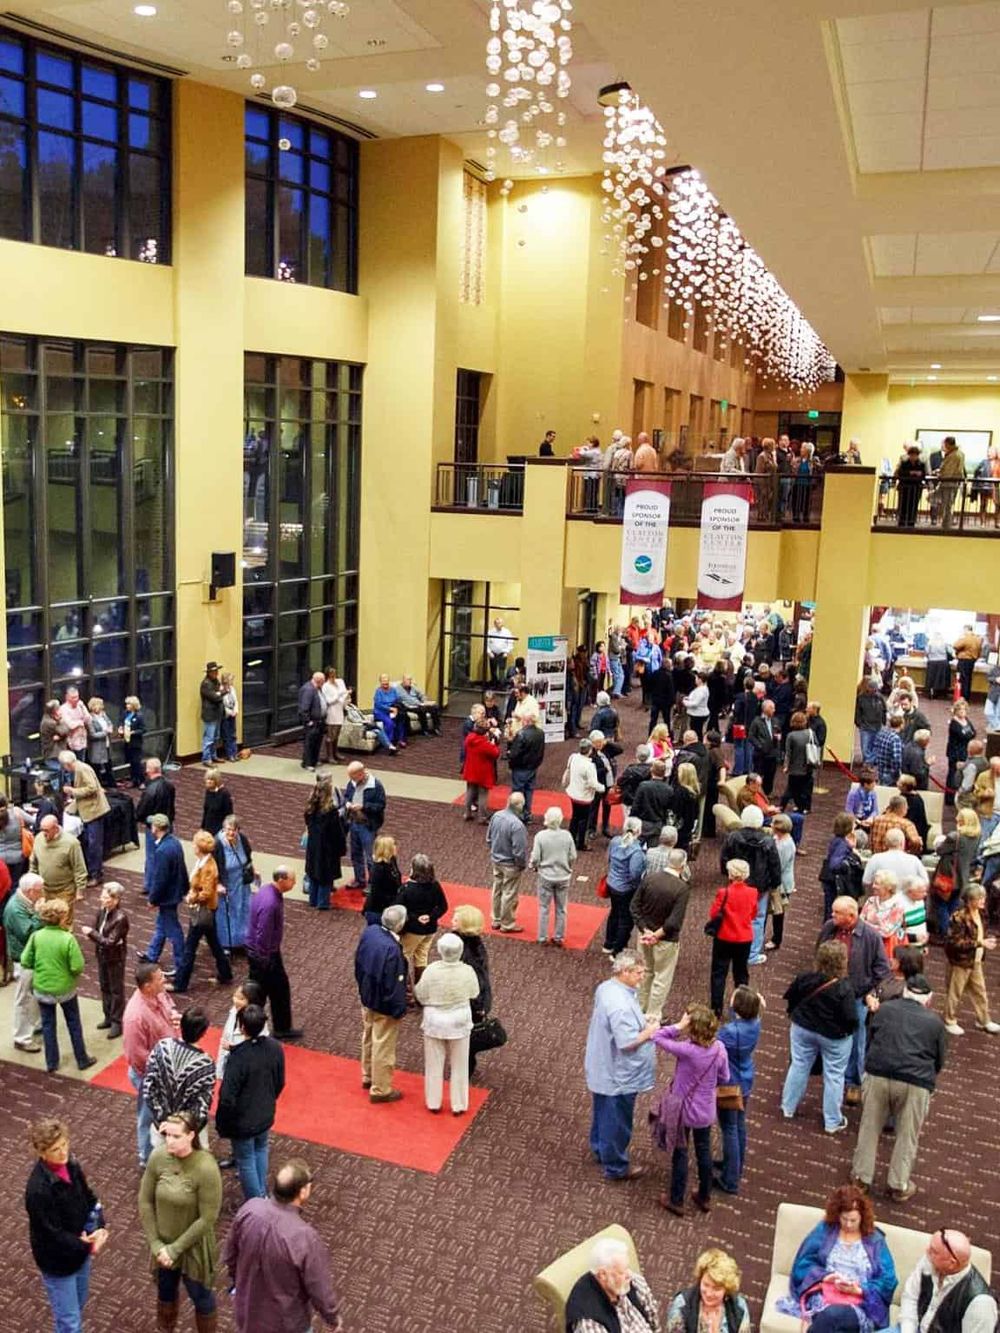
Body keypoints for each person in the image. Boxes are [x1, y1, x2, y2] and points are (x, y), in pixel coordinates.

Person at [850, 973, 947, 1203]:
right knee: (907, 1135)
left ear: (905, 993)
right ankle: (898, 1184)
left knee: (869, 1127)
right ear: (929, 1000)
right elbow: (939, 1059)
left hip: (879, 1073)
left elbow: (871, 1039)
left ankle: (861, 1178)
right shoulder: (935, 1023)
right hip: (916, 1082)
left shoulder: (884, 1010)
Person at [223, 1158, 343, 1333]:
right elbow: (319, 1287)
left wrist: (240, 1283)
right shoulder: (305, 1237)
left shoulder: (249, 1209)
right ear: (303, 1192)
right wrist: (332, 1318)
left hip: (248, 1313)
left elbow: (230, 1255)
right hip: (286, 1324)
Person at [138, 1110, 222, 1333]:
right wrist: (157, 1246)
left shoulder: (206, 1167)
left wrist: (174, 1250)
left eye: (176, 1136)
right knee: (165, 1294)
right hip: (163, 1247)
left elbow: (207, 1218)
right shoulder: (158, 1156)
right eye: (167, 1135)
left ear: (191, 1136)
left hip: (193, 1248)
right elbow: (145, 1201)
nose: (169, 1141)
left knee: (201, 1298)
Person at [25, 1116, 109, 1333]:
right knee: (70, 1322)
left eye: (64, 1145)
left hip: (79, 1249)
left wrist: (99, 1226)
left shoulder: (71, 1164)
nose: (62, 1152)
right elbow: (51, 1234)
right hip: (57, 1262)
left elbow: (89, 1198)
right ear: (42, 1153)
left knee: (76, 1307)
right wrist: (87, 1245)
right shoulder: (38, 1190)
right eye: (55, 1149)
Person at [779, 1184, 898, 1330]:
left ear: (862, 1217)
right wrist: (824, 1277)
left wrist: (860, 1289)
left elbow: (888, 1280)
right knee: (831, 1320)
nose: (848, 1224)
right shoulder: (825, 1231)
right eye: (844, 1219)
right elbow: (803, 1264)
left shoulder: (874, 1241)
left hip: (858, 1303)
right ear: (837, 1214)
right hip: (826, 1295)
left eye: (853, 1220)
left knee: (831, 1316)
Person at [584, 951, 658, 1182]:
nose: (642, 976)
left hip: (603, 1064)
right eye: (638, 972)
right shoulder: (621, 1006)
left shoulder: (607, 987)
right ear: (624, 972)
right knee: (617, 1119)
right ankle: (616, 1165)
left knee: (603, 1111)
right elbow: (627, 1042)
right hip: (619, 1073)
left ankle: (600, 1148)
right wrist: (649, 1031)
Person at [654, 1005, 730, 1217]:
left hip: (683, 1111)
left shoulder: (687, 1050)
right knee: (704, 1151)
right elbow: (725, 1077)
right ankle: (704, 1196)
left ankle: (676, 1199)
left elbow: (657, 1036)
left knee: (680, 1152)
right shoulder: (719, 1049)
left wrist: (678, 1026)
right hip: (706, 1110)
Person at [819, 896, 891, 1105]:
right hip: (829, 994)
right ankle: (829, 1076)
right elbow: (819, 954)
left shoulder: (870, 936)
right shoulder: (829, 928)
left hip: (855, 998)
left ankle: (853, 1083)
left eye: (836, 913)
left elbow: (882, 971)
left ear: (851, 916)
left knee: (856, 1041)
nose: (832, 916)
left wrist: (867, 991)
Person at [780, 941, 858, 1133]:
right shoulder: (844, 988)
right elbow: (851, 1018)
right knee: (834, 1075)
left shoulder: (805, 978)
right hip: (834, 1037)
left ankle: (787, 1107)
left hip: (803, 1028)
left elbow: (790, 996)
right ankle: (832, 1121)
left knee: (799, 1064)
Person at [216, 1004, 285, 1201]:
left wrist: (223, 1123)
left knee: (245, 1159)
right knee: (261, 1149)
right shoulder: (274, 1047)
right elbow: (280, 1081)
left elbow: (227, 1096)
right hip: (265, 1113)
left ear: (242, 1027)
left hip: (242, 1121)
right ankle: (262, 1193)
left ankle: (256, 1201)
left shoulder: (238, 1058)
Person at [21, 898, 96, 1075]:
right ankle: (82, 1059)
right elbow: (77, 966)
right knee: (74, 1024)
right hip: (66, 990)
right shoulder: (68, 939)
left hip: (43, 988)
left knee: (48, 1026)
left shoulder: (36, 937)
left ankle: (51, 1063)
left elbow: (25, 960)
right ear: (62, 918)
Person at [414, 932, 480, 1115]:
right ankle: (459, 1104)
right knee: (460, 1065)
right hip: (459, 1022)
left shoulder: (432, 970)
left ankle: (433, 1102)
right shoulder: (467, 971)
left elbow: (420, 994)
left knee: (433, 1064)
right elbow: (474, 993)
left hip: (434, 1022)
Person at [123, 962, 180, 1168]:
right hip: (151, 1075)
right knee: (147, 1117)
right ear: (147, 986)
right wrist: (161, 1074)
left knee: (164, 1113)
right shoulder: (135, 1017)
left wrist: (174, 1016)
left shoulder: (159, 994)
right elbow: (137, 1055)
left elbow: (169, 1004)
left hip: (166, 1069)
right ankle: (146, 1158)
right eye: (160, 978)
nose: (164, 979)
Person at [354, 903, 408, 1103]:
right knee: (383, 1046)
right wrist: (398, 1009)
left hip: (367, 996)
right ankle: (381, 1088)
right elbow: (393, 984)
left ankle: (367, 1075)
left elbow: (357, 962)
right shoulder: (392, 950)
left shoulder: (371, 933)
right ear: (400, 925)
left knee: (368, 1036)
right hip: (383, 1005)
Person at [170, 829, 234, 994]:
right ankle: (226, 973)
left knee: (190, 948)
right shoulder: (204, 861)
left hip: (203, 910)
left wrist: (192, 898)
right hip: (208, 911)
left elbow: (205, 892)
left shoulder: (208, 867)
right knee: (214, 944)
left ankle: (180, 983)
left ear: (199, 848)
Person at [143, 1007, 216, 1150]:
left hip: (161, 1127)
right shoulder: (205, 1064)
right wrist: (184, 1129)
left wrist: (162, 1120)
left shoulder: (161, 1047)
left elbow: (149, 1088)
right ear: (203, 1033)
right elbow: (202, 1105)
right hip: (187, 1133)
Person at [898, 1229, 998, 1333]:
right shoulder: (929, 1262)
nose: (927, 1252)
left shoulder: (980, 1303)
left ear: (952, 1263)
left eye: (934, 1251)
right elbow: (910, 1297)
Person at [631, 848, 691, 1018]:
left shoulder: (650, 878)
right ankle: (652, 1015)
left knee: (644, 972)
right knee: (661, 978)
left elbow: (634, 907)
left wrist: (646, 930)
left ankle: (638, 1009)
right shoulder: (682, 888)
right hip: (666, 940)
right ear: (683, 864)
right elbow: (674, 921)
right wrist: (656, 935)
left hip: (644, 936)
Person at [720, 804, 782, 967]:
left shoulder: (733, 837)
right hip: (760, 886)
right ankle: (752, 954)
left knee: (734, 915)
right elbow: (774, 864)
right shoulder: (768, 841)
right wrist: (775, 883)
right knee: (758, 918)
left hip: (738, 882)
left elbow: (724, 858)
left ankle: (733, 949)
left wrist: (728, 874)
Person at [715, 987, 763, 1196]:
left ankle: (730, 1179)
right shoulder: (755, 1023)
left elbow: (712, 1042)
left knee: (729, 1128)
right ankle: (735, 1165)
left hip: (729, 1084)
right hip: (745, 1079)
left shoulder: (730, 1032)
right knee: (739, 1124)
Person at [247, 867, 301, 1041]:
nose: (294, 883)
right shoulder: (271, 902)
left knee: (274, 990)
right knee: (262, 993)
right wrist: (265, 958)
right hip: (264, 954)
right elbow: (263, 932)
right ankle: (255, 1028)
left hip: (264, 952)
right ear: (282, 880)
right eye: (292, 879)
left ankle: (277, 1027)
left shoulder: (266, 891)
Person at [566, 1237, 662, 1333]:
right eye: (621, 1272)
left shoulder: (633, 1283)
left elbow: (653, 1317)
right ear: (603, 1275)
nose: (629, 1275)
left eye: (627, 1268)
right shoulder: (589, 1321)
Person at [943, 884, 1000, 1036]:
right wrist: (980, 943)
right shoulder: (959, 917)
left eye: (983, 897)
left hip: (976, 960)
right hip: (960, 961)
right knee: (955, 992)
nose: (983, 901)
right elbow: (954, 942)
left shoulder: (982, 914)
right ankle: (949, 1020)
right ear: (970, 900)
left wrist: (984, 941)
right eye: (979, 898)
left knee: (980, 991)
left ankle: (983, 1019)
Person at [706, 859, 758, 1015]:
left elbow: (714, 913)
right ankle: (741, 1007)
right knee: (741, 973)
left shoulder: (724, 892)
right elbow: (753, 914)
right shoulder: (753, 892)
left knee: (719, 972)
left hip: (724, 936)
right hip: (744, 938)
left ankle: (716, 1008)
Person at [80, 882, 129, 1038]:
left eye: (105, 896)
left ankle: (117, 1022)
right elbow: (99, 933)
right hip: (102, 955)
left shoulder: (121, 918)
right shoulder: (102, 911)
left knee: (116, 990)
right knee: (104, 986)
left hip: (115, 957)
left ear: (116, 899)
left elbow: (110, 942)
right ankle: (108, 1016)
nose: (101, 898)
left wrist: (92, 934)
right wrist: (95, 935)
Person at [143, 813, 189, 978]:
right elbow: (182, 869)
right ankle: (152, 954)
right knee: (162, 924)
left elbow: (160, 878)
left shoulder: (162, 850)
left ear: (156, 828)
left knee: (173, 929)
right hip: (175, 892)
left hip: (167, 897)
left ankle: (181, 964)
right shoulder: (175, 843)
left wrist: (153, 899)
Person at [665, 1250, 750, 1333]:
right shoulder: (682, 1304)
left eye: (716, 1289)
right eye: (706, 1285)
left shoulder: (739, 1306)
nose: (709, 1293)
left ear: (726, 1288)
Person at [398, 853, 449, 991]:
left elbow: (399, 910)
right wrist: (431, 916)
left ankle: (406, 991)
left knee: (401, 956)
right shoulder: (435, 885)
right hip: (430, 929)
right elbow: (443, 906)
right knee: (421, 958)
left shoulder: (407, 888)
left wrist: (415, 918)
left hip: (413, 930)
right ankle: (422, 992)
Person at [4, 871, 43, 1053]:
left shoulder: (23, 902)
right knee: (25, 999)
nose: (41, 895)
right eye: (39, 891)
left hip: (29, 957)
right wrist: (39, 915)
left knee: (31, 996)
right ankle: (22, 1038)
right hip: (23, 960)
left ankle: (33, 1026)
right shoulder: (15, 909)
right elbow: (27, 933)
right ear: (29, 891)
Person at [59, 750, 109, 888]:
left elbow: (92, 788)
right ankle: (92, 871)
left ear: (68, 764)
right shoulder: (80, 768)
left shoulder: (82, 770)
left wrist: (72, 791)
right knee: (89, 842)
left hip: (94, 811)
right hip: (88, 810)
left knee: (94, 845)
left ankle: (96, 874)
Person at [530, 806, 576, 947]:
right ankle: (558, 937)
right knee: (561, 908)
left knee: (544, 907)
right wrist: (568, 867)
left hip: (546, 876)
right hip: (563, 876)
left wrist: (534, 866)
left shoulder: (540, 836)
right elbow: (573, 856)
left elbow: (536, 857)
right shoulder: (567, 835)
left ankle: (542, 937)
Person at [604, 816, 646, 957]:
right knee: (626, 921)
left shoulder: (615, 841)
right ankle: (618, 951)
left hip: (612, 884)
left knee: (614, 913)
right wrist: (635, 886)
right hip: (626, 889)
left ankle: (609, 943)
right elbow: (635, 874)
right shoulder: (636, 851)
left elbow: (608, 858)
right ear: (638, 831)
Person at [303, 776, 348, 911]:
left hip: (313, 846)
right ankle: (323, 903)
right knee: (325, 876)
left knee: (313, 873)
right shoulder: (330, 811)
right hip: (327, 848)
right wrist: (342, 847)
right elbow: (336, 832)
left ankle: (313, 900)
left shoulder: (310, 807)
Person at [341, 761, 386, 891]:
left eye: (353, 776)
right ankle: (359, 879)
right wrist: (348, 803)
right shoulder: (352, 782)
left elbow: (381, 805)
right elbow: (347, 796)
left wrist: (364, 807)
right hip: (354, 823)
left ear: (360, 774)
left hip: (368, 825)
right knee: (355, 854)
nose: (350, 780)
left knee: (370, 856)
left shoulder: (375, 786)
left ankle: (372, 883)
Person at [487, 791, 527, 931]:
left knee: (497, 889)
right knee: (509, 893)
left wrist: (494, 852)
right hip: (510, 864)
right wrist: (521, 865)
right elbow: (519, 851)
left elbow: (489, 838)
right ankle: (507, 923)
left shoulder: (496, 816)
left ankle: (496, 919)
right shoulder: (517, 825)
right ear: (519, 805)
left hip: (496, 860)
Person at [213, 815, 254, 951]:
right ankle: (226, 943)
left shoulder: (242, 839)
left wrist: (252, 870)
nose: (231, 833)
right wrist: (217, 883)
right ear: (223, 829)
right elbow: (212, 867)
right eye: (228, 829)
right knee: (227, 912)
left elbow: (248, 857)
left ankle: (241, 940)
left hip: (241, 883)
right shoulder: (217, 844)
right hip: (226, 884)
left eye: (234, 830)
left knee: (243, 909)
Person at [135, 759, 176, 880]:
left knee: (152, 857)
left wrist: (142, 818)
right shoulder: (170, 785)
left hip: (153, 827)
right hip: (168, 824)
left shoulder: (150, 790)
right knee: (166, 854)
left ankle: (150, 884)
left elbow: (140, 812)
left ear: (149, 770)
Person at [564, 737, 603, 850]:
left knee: (575, 817)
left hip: (573, 793)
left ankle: (571, 839)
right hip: (584, 797)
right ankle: (581, 843)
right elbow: (593, 784)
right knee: (583, 820)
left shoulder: (573, 757)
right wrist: (603, 788)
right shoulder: (589, 766)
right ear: (590, 750)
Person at [507, 708, 545, 822]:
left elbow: (514, 753)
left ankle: (516, 814)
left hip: (520, 767)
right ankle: (527, 814)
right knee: (529, 791)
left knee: (518, 791)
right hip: (533, 767)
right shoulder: (540, 733)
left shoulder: (521, 734)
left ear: (527, 721)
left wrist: (510, 761)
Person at [862, 827, 928, 892]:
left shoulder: (875, 858)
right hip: (907, 900)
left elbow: (866, 881)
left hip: (882, 899)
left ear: (885, 843)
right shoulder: (914, 860)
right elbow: (925, 882)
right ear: (903, 843)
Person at [462, 718, 500, 823]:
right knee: (483, 794)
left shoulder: (470, 738)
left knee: (470, 791)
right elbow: (496, 753)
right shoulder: (484, 743)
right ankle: (482, 817)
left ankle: (467, 813)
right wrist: (492, 742)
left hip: (470, 769)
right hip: (482, 771)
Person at [363, 833, 402, 925]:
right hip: (378, 911)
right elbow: (377, 894)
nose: (396, 847)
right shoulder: (378, 869)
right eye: (393, 845)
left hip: (389, 907)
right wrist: (396, 900)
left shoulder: (392, 860)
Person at [946, 700, 976, 807]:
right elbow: (965, 736)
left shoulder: (966, 720)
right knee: (953, 775)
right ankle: (949, 798)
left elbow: (973, 732)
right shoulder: (954, 724)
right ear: (956, 711)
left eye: (964, 709)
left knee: (962, 775)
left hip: (965, 751)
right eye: (960, 709)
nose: (963, 712)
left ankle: (959, 795)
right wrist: (969, 734)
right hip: (955, 753)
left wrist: (969, 734)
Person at [748, 699, 781, 793]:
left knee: (770, 775)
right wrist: (759, 746)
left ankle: (767, 793)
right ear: (765, 709)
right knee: (757, 774)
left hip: (772, 753)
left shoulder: (775, 720)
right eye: (772, 708)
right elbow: (751, 736)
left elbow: (778, 732)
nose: (774, 710)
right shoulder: (757, 721)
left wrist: (778, 737)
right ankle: (754, 792)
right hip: (760, 754)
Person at [296, 670, 328, 770]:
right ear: (319, 680)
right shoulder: (308, 689)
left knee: (317, 742)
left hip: (320, 721)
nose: (324, 683)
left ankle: (314, 761)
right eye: (323, 681)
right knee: (309, 743)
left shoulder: (317, 688)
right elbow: (304, 708)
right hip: (312, 722)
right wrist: (308, 721)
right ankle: (307, 763)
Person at [318, 666, 349, 764]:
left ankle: (336, 753)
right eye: (331, 673)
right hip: (331, 712)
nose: (333, 675)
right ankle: (329, 756)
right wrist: (339, 695)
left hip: (340, 710)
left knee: (337, 734)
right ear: (327, 674)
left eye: (334, 673)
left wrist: (346, 696)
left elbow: (344, 693)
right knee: (331, 734)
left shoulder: (340, 682)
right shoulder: (325, 686)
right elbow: (328, 701)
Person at [855, 679, 887, 766]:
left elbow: (884, 710)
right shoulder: (861, 698)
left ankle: (868, 763)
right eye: (873, 689)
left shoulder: (880, 698)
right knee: (865, 748)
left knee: (875, 746)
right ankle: (869, 762)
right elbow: (857, 712)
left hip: (877, 726)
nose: (874, 691)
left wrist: (883, 722)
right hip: (865, 726)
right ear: (868, 688)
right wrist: (859, 723)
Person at [199, 662, 225, 766]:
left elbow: (218, 694)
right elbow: (216, 697)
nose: (216, 673)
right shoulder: (206, 684)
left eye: (216, 671)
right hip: (210, 715)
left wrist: (220, 693)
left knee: (215, 737)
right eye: (214, 671)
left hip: (217, 714)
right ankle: (206, 759)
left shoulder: (215, 682)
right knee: (209, 738)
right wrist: (222, 692)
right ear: (209, 672)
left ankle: (213, 756)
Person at [86, 697, 115, 788]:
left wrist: (110, 728)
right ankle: (98, 786)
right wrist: (105, 732)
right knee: (97, 767)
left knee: (108, 764)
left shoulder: (103, 715)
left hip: (106, 744)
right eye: (100, 705)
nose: (102, 707)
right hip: (97, 747)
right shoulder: (90, 719)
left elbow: (109, 723)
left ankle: (111, 783)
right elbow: (92, 735)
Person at [895, 444, 926, 527]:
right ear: (909, 455)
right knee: (903, 505)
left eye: (915, 455)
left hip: (916, 488)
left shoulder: (921, 464)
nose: (913, 457)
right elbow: (900, 473)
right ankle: (902, 521)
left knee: (913, 505)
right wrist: (911, 473)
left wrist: (919, 474)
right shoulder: (904, 463)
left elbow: (924, 475)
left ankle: (911, 522)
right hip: (905, 487)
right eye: (912, 455)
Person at [872, 713, 905, 788]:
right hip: (889, 772)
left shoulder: (881, 733)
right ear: (901, 725)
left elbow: (875, 748)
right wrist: (896, 773)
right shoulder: (895, 738)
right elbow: (896, 759)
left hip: (880, 769)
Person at [121, 695, 146, 788]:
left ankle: (142, 781)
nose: (127, 706)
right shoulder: (125, 714)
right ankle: (133, 780)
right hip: (127, 742)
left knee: (137, 762)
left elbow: (143, 729)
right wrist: (121, 728)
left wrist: (133, 732)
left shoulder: (139, 716)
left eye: (129, 704)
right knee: (131, 762)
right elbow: (122, 723)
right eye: (126, 704)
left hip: (136, 743)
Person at [200, 768, 233, 839]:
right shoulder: (208, 791)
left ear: (216, 781)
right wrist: (202, 828)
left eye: (211, 779)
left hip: (219, 831)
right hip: (208, 829)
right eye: (207, 779)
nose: (208, 781)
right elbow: (206, 811)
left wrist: (226, 831)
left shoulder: (224, 794)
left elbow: (229, 815)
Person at [486, 615, 514, 684]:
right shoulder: (490, 632)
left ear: (503, 624)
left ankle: (501, 684)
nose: (499, 624)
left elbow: (510, 643)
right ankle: (494, 683)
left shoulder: (507, 632)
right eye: (497, 623)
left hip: (502, 654)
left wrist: (506, 652)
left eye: (500, 623)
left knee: (502, 670)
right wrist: (489, 652)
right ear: (494, 624)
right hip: (493, 653)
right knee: (493, 670)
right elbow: (486, 643)